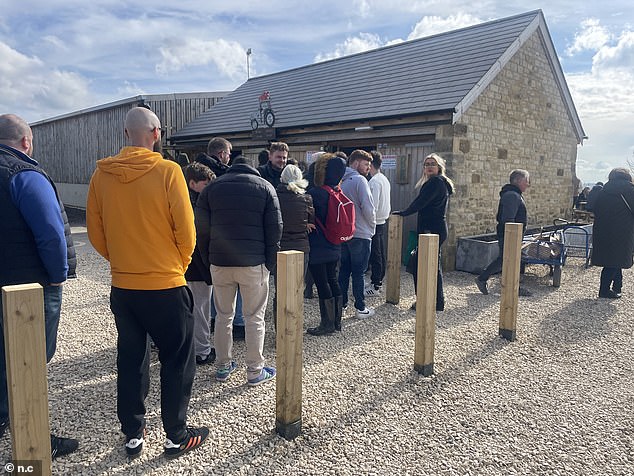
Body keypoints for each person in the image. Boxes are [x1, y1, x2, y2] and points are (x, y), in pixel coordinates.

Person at [87, 107, 208, 459]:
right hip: (166, 283)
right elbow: (187, 233)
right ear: (157, 133)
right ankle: (176, 434)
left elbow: (95, 233)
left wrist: (123, 262)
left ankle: (133, 433)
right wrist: (176, 266)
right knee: (176, 360)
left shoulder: (102, 175)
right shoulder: (168, 171)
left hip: (124, 287)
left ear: (127, 135)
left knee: (131, 358)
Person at [0, 114, 79, 458]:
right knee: (29, 361)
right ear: (26, 142)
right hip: (29, 289)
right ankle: (32, 443)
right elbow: (50, 232)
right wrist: (58, 275)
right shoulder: (24, 174)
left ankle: (5, 418)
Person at [195, 156, 282, 386]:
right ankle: (255, 370)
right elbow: (275, 229)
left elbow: (201, 230)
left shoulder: (211, 188)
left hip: (220, 263)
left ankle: (223, 366)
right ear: (252, 170)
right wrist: (269, 264)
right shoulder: (265, 187)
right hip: (253, 263)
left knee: (223, 316)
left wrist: (208, 260)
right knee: (255, 317)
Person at [196, 137, 246, 339]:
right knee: (235, 284)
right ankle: (237, 323)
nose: (229, 157)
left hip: (208, 240)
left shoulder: (194, 171)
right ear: (221, 154)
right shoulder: (220, 176)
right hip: (225, 237)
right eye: (228, 153)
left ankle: (216, 321)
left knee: (215, 285)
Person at [393, 153, 454, 311]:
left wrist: (404, 213)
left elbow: (420, 203)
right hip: (436, 228)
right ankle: (437, 302)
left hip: (431, 230)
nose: (429, 166)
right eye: (426, 164)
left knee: (419, 266)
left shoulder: (434, 182)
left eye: (432, 164)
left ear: (439, 167)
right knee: (433, 266)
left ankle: (425, 301)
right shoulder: (441, 183)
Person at [474, 169, 532, 297]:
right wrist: (512, 236)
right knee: (505, 259)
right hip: (510, 235)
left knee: (509, 259)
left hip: (512, 235)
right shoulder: (512, 195)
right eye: (526, 181)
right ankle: (484, 279)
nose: (528, 184)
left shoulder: (513, 194)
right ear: (517, 181)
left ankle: (512, 285)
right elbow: (508, 219)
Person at [307, 153, 347, 335]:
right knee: (333, 279)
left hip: (318, 244)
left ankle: (327, 324)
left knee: (322, 282)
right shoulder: (338, 191)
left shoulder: (316, 193)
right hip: (335, 243)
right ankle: (337, 321)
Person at [183, 162, 216, 365]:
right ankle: (201, 351)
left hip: (186, 266)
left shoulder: (187, 200)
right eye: (206, 183)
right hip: (197, 266)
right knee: (201, 309)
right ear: (192, 183)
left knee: (193, 308)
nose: (209, 187)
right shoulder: (195, 205)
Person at [274, 164, 315, 325]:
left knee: (280, 290)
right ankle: (294, 328)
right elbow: (311, 222)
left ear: (282, 178)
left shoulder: (275, 196)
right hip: (301, 247)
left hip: (280, 247)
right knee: (297, 288)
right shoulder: (306, 198)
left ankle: (280, 328)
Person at [338, 150, 377, 318]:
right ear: (355, 163)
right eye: (365, 163)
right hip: (361, 233)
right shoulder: (360, 180)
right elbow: (368, 207)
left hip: (344, 234)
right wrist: (372, 226)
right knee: (359, 272)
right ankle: (361, 307)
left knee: (344, 271)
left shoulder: (341, 181)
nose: (368, 167)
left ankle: (342, 304)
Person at [591, 168, 634, 299]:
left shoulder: (603, 190)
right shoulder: (631, 191)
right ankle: (604, 290)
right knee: (615, 260)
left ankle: (617, 286)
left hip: (603, 230)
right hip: (623, 232)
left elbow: (595, 208)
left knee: (613, 259)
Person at [365, 151, 391, 296]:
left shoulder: (374, 181)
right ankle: (378, 281)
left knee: (376, 254)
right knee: (380, 252)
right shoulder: (383, 179)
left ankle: (376, 285)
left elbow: (372, 205)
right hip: (382, 220)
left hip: (375, 221)